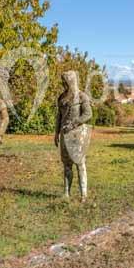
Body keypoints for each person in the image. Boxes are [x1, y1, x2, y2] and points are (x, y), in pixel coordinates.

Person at [54, 70, 92, 201]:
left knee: (80, 164)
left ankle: (83, 195)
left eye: (66, 82)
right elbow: (59, 116)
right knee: (66, 165)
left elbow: (88, 114)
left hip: (78, 135)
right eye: (63, 82)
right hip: (64, 134)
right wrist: (56, 133)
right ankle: (66, 193)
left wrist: (75, 123)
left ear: (72, 81)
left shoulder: (82, 96)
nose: (64, 84)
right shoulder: (61, 97)